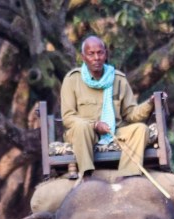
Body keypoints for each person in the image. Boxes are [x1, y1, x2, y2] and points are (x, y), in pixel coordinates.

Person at [60, 36, 154, 178]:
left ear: (106, 55)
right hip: (84, 133)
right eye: (91, 54)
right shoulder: (72, 79)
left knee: (140, 129)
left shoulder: (118, 79)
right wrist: (95, 125)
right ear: (83, 57)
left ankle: (128, 176)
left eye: (100, 53)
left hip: (113, 131)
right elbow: (68, 117)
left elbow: (130, 113)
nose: (96, 57)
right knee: (81, 127)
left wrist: (150, 104)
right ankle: (87, 175)